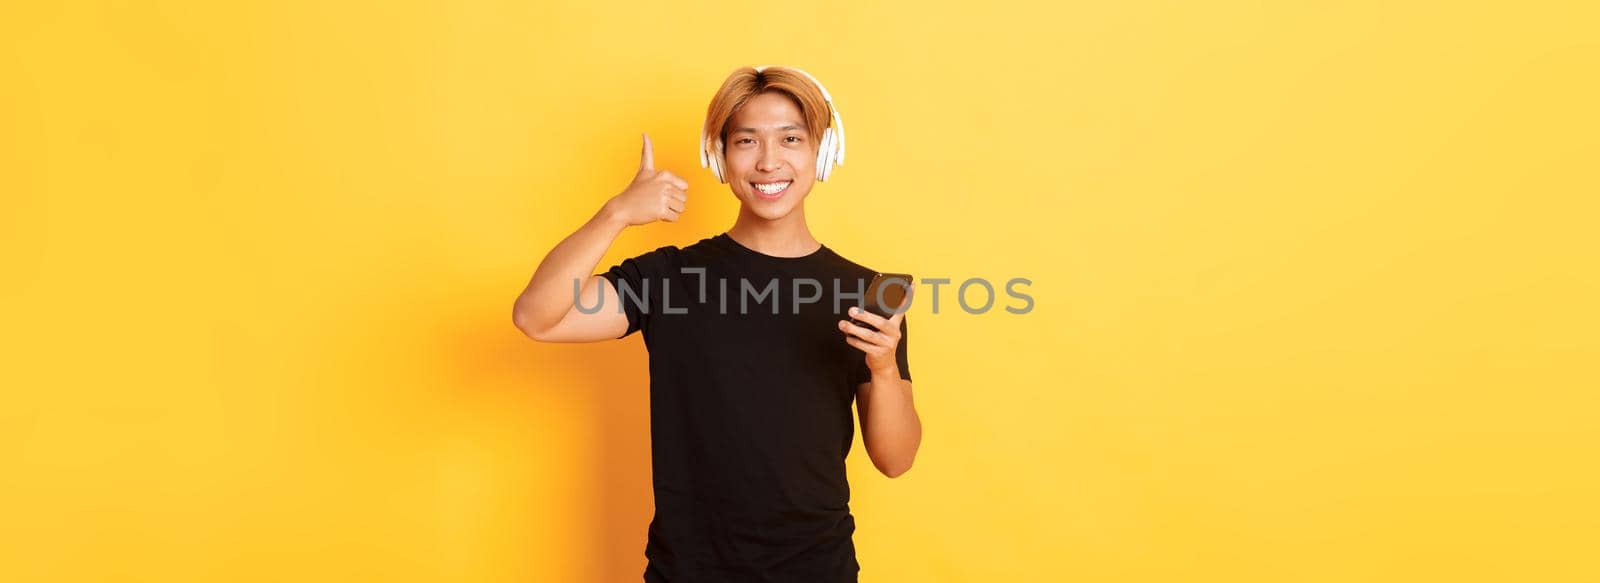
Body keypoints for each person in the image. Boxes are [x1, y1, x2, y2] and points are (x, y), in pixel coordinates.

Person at [512, 65, 921, 582]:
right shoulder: (670, 277)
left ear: (822, 150)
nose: (769, 161)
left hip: (819, 571)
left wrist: (883, 367)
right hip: (686, 572)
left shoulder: (863, 294)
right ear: (719, 157)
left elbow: (895, 458)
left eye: (790, 139)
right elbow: (538, 317)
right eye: (747, 141)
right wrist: (614, 214)